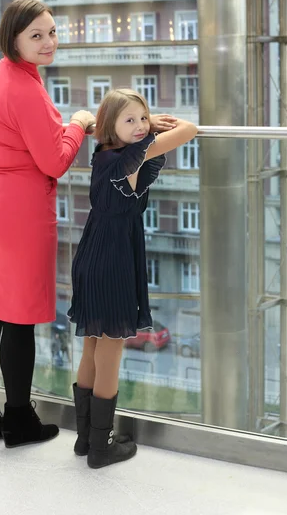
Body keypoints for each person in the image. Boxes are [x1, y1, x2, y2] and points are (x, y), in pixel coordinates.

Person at [0, 0, 96, 448]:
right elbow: (54, 161)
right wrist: (76, 123)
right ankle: (18, 419)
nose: (48, 42)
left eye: (52, 32)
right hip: (19, 212)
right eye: (36, 35)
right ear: (13, 39)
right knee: (17, 318)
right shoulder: (25, 87)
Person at [68, 89, 197, 469]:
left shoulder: (106, 153)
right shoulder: (127, 156)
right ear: (110, 127)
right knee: (110, 350)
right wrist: (155, 125)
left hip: (95, 250)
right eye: (131, 120)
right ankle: (101, 447)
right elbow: (188, 129)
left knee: (93, 345)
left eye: (143, 117)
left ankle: (85, 439)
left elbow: (104, 126)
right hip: (113, 257)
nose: (140, 126)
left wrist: (139, 124)